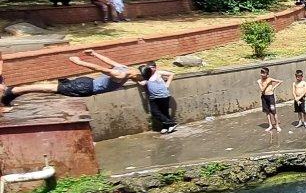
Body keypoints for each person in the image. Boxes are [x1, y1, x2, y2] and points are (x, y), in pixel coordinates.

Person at [1, 49, 140, 112]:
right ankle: (11, 92)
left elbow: (105, 65)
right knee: (48, 88)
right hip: (85, 86)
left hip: (85, 84)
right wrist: (87, 58)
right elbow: (105, 65)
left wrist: (88, 58)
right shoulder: (123, 72)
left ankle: (10, 93)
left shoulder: (123, 71)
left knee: (49, 87)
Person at [140, 63, 176, 134]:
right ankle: (171, 124)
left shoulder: (158, 73)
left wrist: (167, 83)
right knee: (154, 112)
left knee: (164, 112)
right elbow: (143, 83)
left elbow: (171, 74)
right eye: (149, 67)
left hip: (163, 96)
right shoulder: (146, 75)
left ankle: (166, 127)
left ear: (155, 68)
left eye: (152, 67)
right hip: (153, 97)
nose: (151, 69)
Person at [257, 67, 282, 132]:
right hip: (264, 97)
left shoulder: (270, 79)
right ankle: (270, 125)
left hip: (270, 97)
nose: (262, 74)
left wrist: (273, 88)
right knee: (267, 112)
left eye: (264, 73)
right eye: (261, 73)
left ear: (267, 74)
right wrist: (265, 83)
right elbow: (262, 89)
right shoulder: (259, 81)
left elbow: (280, 81)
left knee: (273, 112)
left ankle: (277, 125)